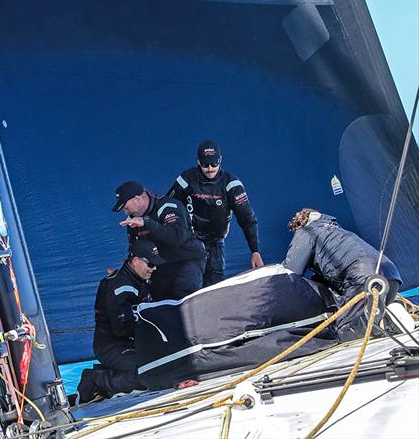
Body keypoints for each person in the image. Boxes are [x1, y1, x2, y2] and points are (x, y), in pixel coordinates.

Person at [282, 208, 403, 341]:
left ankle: (388, 321)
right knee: (364, 318)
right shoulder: (336, 231)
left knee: (347, 331)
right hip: (391, 277)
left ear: (299, 225)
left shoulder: (306, 232)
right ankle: (390, 310)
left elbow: (291, 271)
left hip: (364, 279)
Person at [77, 240, 165, 402]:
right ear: (136, 260)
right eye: (151, 264)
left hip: (132, 343)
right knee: (148, 373)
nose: (154, 268)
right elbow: (122, 328)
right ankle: (96, 380)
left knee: (161, 365)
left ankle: (106, 373)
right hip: (112, 346)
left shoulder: (138, 280)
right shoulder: (120, 286)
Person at [167, 141, 263, 287]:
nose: (210, 169)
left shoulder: (232, 185)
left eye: (214, 164)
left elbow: (248, 219)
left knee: (215, 284)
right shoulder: (187, 178)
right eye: (205, 164)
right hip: (190, 240)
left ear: (220, 160)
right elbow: (168, 205)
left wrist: (255, 251)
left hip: (216, 242)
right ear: (198, 161)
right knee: (189, 282)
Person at [113, 180, 206, 300]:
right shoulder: (132, 220)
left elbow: (177, 237)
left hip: (187, 259)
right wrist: (122, 273)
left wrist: (147, 223)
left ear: (138, 199)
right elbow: (136, 251)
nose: (125, 212)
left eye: (126, 207)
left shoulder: (168, 206)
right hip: (160, 267)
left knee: (183, 294)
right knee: (155, 302)